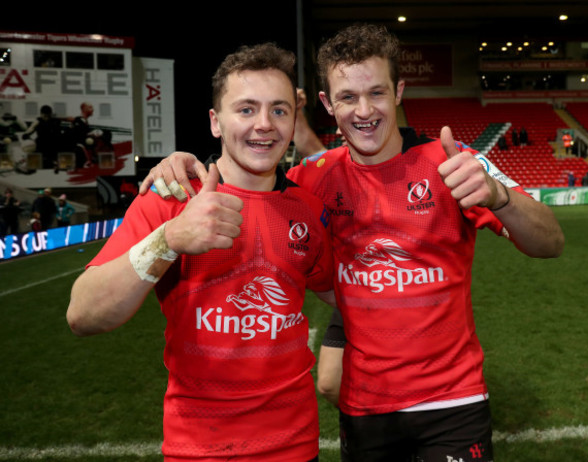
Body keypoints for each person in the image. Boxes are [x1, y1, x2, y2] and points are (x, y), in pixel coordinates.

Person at [141, 23, 565, 462]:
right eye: (347, 97)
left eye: (376, 93)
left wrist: (500, 197)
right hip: (364, 408)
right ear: (328, 103)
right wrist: (180, 165)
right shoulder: (314, 177)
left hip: (452, 403)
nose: (364, 110)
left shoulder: (453, 162)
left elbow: (550, 241)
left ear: (398, 92)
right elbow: (245, 179)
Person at [67, 42, 335, 462]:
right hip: (199, 450)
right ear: (215, 121)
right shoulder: (171, 198)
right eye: (246, 109)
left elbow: (344, 293)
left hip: (297, 447)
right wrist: (170, 239)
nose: (264, 124)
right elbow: (83, 315)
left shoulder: (308, 209)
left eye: (279, 110)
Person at [21, 105, 62, 170]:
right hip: (41, 146)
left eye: (48, 115)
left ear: (50, 114)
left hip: (53, 147)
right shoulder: (38, 121)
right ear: (41, 114)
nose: (46, 118)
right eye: (45, 116)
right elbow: (27, 132)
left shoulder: (56, 122)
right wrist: (28, 137)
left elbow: (60, 135)